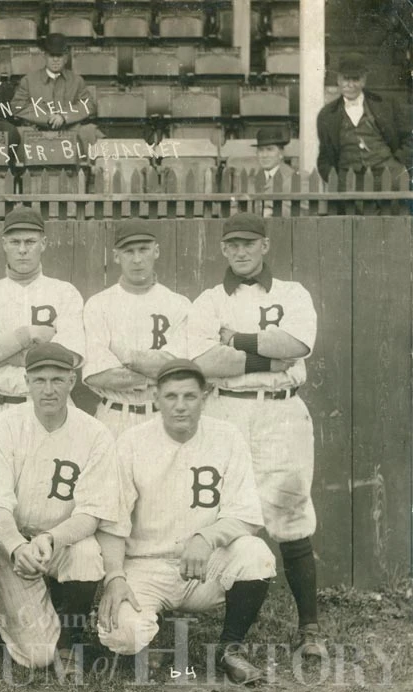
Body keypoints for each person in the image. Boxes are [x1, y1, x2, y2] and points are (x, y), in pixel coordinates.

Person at [187, 213, 322, 658]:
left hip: (282, 411)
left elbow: (297, 346)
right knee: (226, 510)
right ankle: (232, 637)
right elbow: (205, 361)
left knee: (291, 508)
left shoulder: (292, 293)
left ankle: (310, 627)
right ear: (223, 250)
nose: (241, 251)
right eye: (232, 245)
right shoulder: (209, 300)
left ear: (264, 246)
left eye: (249, 243)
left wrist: (239, 339)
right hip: (225, 410)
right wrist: (265, 354)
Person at [96, 360, 276, 685]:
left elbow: (247, 514)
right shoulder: (132, 442)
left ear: (204, 397)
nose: (181, 406)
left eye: (190, 397)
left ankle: (229, 648)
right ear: (156, 397)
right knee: (122, 635)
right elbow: (112, 522)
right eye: (171, 397)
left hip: (205, 566)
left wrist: (206, 537)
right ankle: (146, 630)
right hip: (146, 564)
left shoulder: (227, 437)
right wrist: (114, 577)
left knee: (256, 554)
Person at [0, 343, 120, 674]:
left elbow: (91, 513)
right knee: (37, 655)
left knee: (88, 554)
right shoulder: (5, 425)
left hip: (58, 539)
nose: (48, 389)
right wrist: (16, 546)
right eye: (39, 379)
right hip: (9, 542)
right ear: (26, 382)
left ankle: (69, 642)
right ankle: (6, 603)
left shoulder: (95, 433)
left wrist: (51, 538)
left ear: (72, 381)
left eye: (57, 380)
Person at [0, 206, 85, 462]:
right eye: (15, 242)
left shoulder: (65, 293)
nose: (22, 249)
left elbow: (70, 358)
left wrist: (4, 352)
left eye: (30, 242)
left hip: (50, 410)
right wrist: (27, 334)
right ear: (4, 244)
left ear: (43, 243)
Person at [82, 220, 189, 438]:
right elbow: (97, 375)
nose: (137, 259)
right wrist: (155, 374)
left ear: (156, 251)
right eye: (129, 251)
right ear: (116, 256)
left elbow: (181, 371)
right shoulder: (99, 304)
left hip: (162, 415)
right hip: (114, 415)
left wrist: (125, 358)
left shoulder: (178, 304)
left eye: (144, 249)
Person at [316, 53, 410, 184]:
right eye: (345, 79)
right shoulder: (327, 114)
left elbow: (409, 138)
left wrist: (400, 164)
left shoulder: (386, 105)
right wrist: (336, 181)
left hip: (388, 179)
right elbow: (325, 156)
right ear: (338, 79)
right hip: (348, 183)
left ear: (364, 80)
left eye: (355, 79)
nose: (350, 84)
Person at [11, 33, 99, 163]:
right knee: (19, 133)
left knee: (90, 131)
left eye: (60, 56)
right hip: (37, 129)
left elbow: (88, 105)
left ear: (66, 58)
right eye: (52, 55)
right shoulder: (29, 80)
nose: (56, 60)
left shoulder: (76, 80)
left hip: (69, 129)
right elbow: (17, 106)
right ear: (44, 56)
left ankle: (86, 174)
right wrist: (47, 118)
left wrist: (64, 116)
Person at [252, 128, 296, 218]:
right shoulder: (251, 178)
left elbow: (304, 210)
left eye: (270, 149)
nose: (264, 155)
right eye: (261, 150)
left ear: (281, 153)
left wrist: (272, 210)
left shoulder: (297, 177)